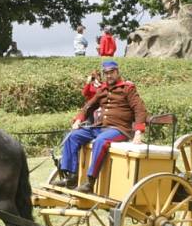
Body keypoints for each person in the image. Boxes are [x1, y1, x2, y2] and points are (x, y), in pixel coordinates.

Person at [52, 59, 147, 193]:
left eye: (111, 72)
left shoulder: (128, 88)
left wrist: (138, 131)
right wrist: (79, 120)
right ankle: (72, 178)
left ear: (117, 72)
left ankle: (90, 182)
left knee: (101, 140)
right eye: (106, 73)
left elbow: (139, 109)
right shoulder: (102, 89)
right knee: (72, 136)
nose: (109, 75)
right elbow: (88, 106)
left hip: (119, 129)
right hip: (101, 128)